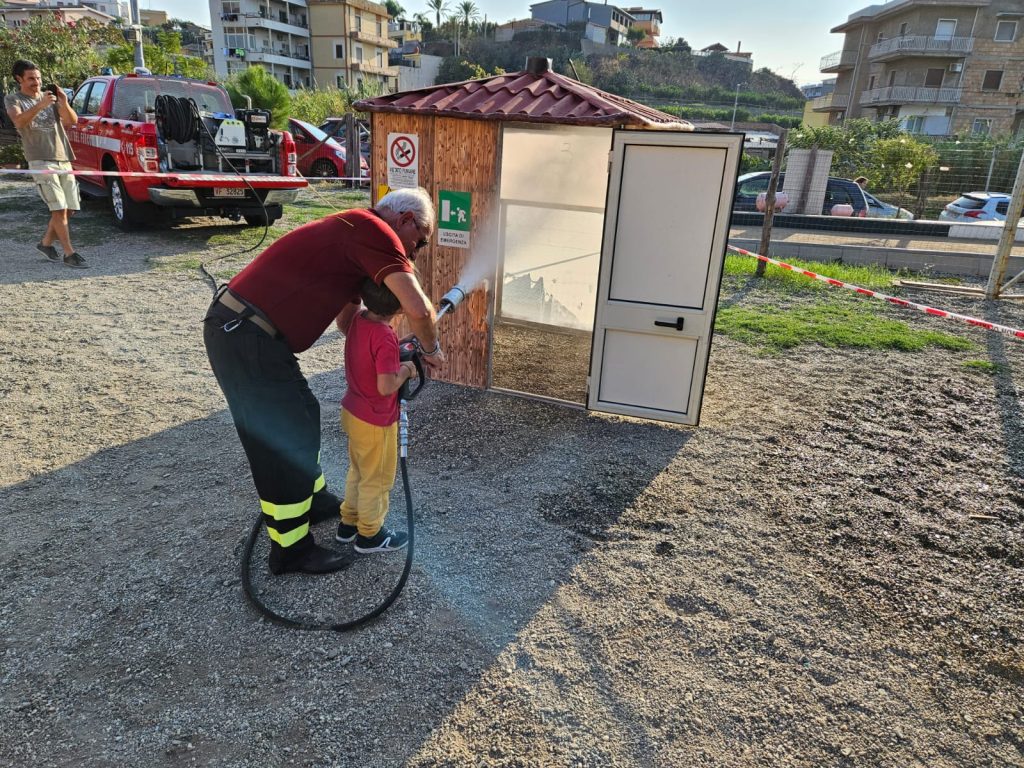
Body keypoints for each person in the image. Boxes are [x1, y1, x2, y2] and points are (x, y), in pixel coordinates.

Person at [203, 187, 444, 576]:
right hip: (245, 335)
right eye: (419, 243)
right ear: (405, 221)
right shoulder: (376, 232)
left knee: (304, 414)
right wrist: (431, 349)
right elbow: (419, 308)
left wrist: (386, 345)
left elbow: (349, 324)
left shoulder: (358, 239)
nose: (413, 255)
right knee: (282, 440)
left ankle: (312, 502)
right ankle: (290, 550)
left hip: (255, 337)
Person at [334, 278, 417, 553]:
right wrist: (406, 370)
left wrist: (398, 347)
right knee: (378, 479)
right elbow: (386, 386)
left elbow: (372, 351)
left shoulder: (358, 321)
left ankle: (349, 522)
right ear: (401, 305)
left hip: (353, 412)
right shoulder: (384, 336)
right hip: (376, 421)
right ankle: (370, 534)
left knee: (358, 471)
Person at [4, 59, 87, 269]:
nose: (36, 82)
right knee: (58, 209)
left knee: (70, 208)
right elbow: (19, 122)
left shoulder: (50, 98)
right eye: (31, 78)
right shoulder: (13, 99)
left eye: (38, 78)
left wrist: (64, 102)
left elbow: (71, 121)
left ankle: (46, 243)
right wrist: (40, 105)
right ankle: (70, 253)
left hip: (63, 156)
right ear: (19, 79)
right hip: (40, 159)